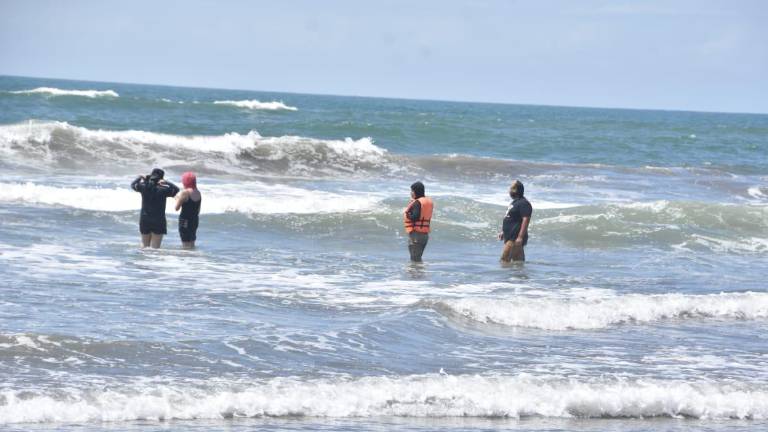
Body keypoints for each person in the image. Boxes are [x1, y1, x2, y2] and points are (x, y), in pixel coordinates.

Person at [131, 168, 179, 248]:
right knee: (155, 247)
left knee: (144, 244)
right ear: (161, 179)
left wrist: (140, 178)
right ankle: (153, 260)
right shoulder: (164, 190)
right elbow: (176, 190)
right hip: (158, 220)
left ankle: (142, 260)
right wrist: (167, 182)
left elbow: (133, 185)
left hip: (145, 219)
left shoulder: (144, 187)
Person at [499, 180, 532, 262]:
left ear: (515, 190)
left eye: (511, 188)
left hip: (514, 238)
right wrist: (503, 231)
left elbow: (526, 219)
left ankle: (508, 275)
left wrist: (520, 237)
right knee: (518, 263)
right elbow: (511, 218)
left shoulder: (523, 203)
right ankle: (520, 275)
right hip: (511, 237)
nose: (509, 190)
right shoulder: (515, 203)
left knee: (504, 260)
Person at [404, 181, 434, 262]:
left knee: (414, 259)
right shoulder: (428, 202)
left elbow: (415, 217)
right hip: (424, 235)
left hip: (416, 235)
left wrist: (407, 215)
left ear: (415, 191)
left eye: (412, 191)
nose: (411, 193)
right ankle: (419, 273)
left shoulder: (417, 202)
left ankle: (415, 274)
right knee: (418, 258)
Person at [175, 171, 202, 249]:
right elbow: (198, 210)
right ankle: (191, 260)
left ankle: (186, 260)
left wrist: (177, 198)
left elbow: (176, 208)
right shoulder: (198, 192)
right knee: (192, 243)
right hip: (194, 220)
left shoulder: (185, 193)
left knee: (185, 244)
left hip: (185, 220)